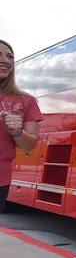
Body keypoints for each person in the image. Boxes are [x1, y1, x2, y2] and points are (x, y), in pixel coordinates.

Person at [0, 39, 43, 213]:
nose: (5, 60)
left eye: (9, 56)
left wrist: (17, 131)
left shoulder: (26, 101)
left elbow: (30, 144)